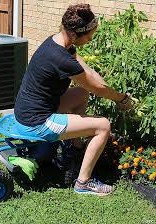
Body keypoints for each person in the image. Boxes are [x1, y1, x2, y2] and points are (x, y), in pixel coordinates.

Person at [14, 3, 132, 196]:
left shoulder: (57, 43)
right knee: (103, 126)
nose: (91, 39)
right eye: (90, 35)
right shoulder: (61, 58)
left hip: (28, 111)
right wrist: (121, 98)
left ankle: (74, 150)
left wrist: (107, 89)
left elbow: (90, 76)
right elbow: (98, 89)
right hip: (35, 122)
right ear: (76, 34)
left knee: (81, 93)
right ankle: (83, 182)